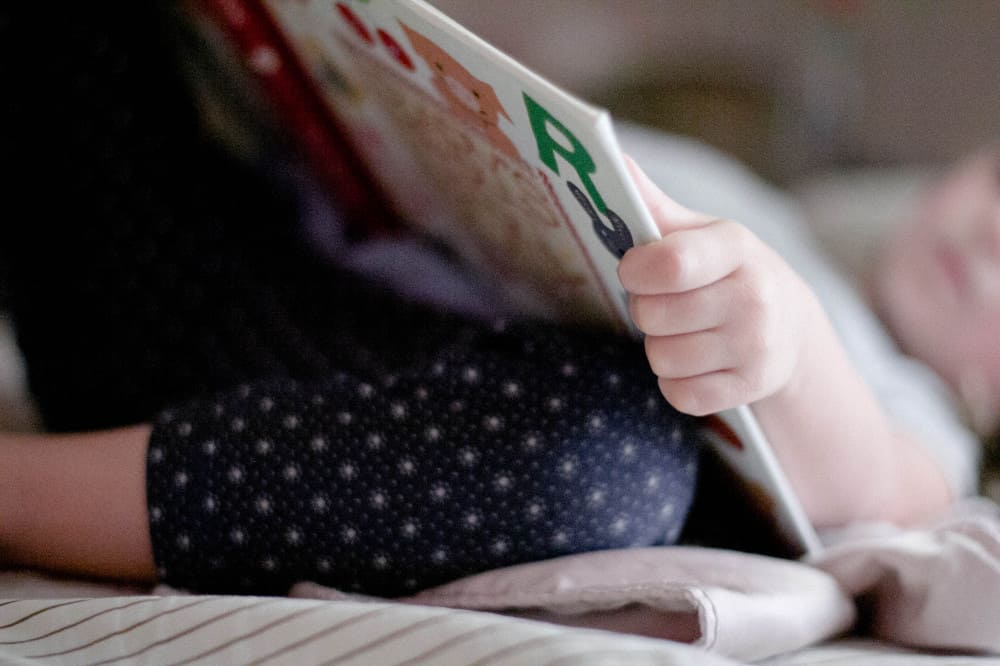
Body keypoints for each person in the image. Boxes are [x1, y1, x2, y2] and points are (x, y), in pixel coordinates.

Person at [0, 7, 989, 595]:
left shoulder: (925, 405)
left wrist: (795, 346)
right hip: (225, 264)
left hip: (357, 431)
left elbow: (887, 491)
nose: (991, 249)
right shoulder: (754, 189)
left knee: (612, 459)